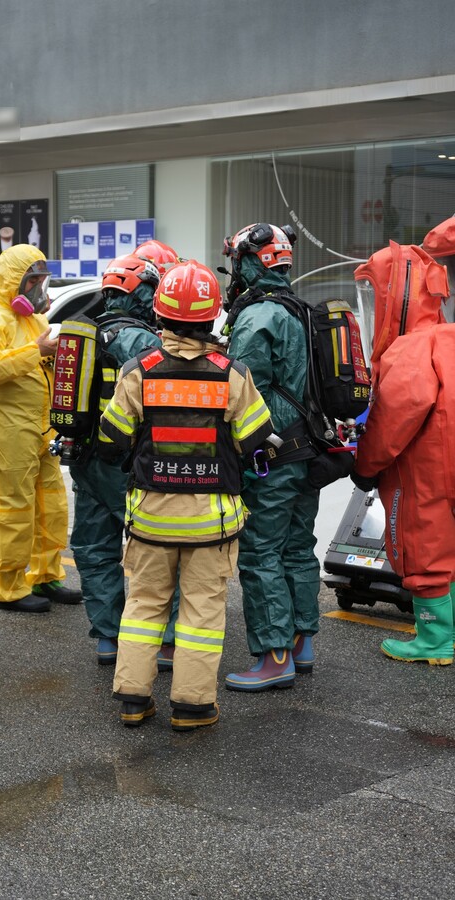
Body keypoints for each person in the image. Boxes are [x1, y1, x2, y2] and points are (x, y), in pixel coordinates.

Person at [100, 259, 273, 730]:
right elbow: (257, 438)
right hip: (210, 523)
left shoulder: (140, 370)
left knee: (142, 607)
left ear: (159, 315)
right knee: (201, 613)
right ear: (212, 317)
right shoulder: (231, 374)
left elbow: (112, 436)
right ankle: (193, 707)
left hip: (151, 518)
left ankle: (134, 700)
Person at [220, 223, 320, 692]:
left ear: (252, 260)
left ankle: (272, 656)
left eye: (234, 261)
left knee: (261, 553)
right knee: (298, 548)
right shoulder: (303, 310)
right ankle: (301, 644)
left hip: (273, 456)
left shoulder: (257, 316)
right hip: (310, 452)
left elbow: (242, 390)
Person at [69, 252, 180, 666]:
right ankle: (165, 639)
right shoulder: (145, 341)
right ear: (143, 294)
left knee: (94, 546)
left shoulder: (85, 334)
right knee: (157, 548)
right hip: (129, 464)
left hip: (86, 459)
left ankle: (108, 637)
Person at [353, 239, 454, 665]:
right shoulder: (447, 337)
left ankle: (435, 638)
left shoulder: (412, 347)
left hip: (422, 469)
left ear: (395, 293)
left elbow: (397, 415)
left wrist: (365, 465)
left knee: (423, 545)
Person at [0, 244, 81, 612]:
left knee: (51, 503)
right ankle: (10, 587)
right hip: (8, 425)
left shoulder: (33, 318)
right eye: (31, 279)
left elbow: (44, 362)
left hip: (41, 424)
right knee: (14, 508)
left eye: (41, 279)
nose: (37, 286)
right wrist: (37, 351)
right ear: (12, 279)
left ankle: (46, 576)